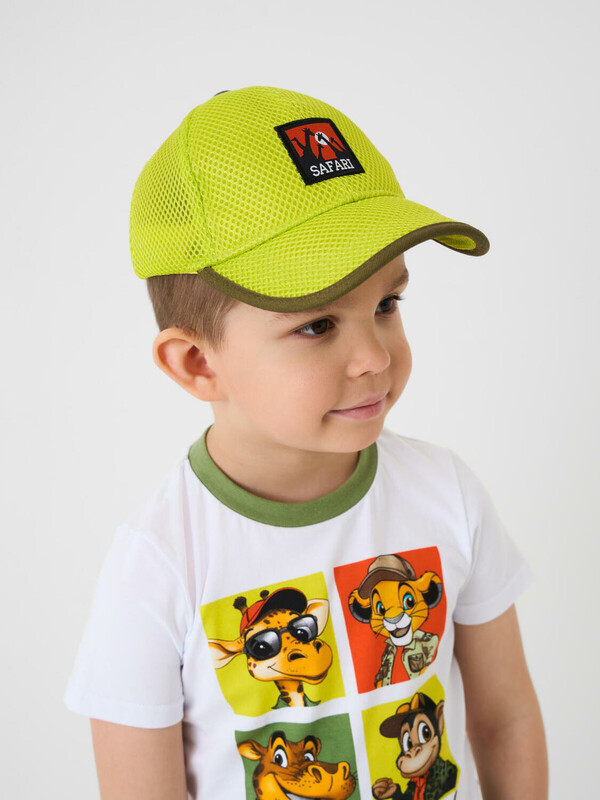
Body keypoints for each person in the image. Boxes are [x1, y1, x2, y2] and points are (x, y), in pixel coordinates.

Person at [64, 85, 548, 799]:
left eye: (387, 304)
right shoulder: (160, 562)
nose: (375, 357)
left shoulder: (446, 493)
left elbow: (505, 718)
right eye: (317, 325)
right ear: (197, 363)